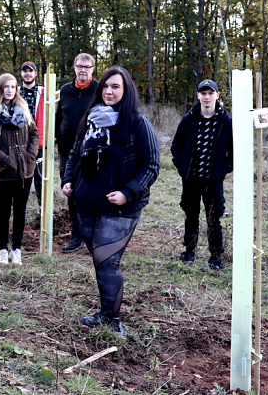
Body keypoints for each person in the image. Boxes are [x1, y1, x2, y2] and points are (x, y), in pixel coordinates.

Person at [62, 67, 160, 338]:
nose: (109, 91)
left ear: (126, 91)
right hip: (86, 202)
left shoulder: (137, 123)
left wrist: (127, 192)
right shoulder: (91, 118)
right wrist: (69, 179)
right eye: (105, 86)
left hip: (120, 207)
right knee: (98, 259)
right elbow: (75, 152)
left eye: (115, 87)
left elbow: (151, 165)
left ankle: (113, 319)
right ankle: (105, 312)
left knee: (108, 262)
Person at [171, 79, 233, 271]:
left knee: (213, 217)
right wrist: (182, 168)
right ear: (198, 95)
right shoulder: (189, 120)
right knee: (191, 215)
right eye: (203, 93)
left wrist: (223, 170)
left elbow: (233, 151)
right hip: (191, 179)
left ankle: (215, 256)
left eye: (210, 93)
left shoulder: (225, 122)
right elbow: (177, 147)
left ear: (217, 95)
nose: (207, 97)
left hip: (213, 180)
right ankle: (189, 251)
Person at [0, 74, 39, 265]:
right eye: (6, 87)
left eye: (13, 87)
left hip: (25, 169)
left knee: (20, 210)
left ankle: (17, 249)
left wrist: (31, 154)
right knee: (4, 211)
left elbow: (34, 134)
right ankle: (3, 250)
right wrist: (3, 157)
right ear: (0, 88)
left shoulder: (23, 108)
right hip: (4, 171)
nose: (10, 90)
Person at [55, 53, 99, 253]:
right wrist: (55, 137)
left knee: (90, 189)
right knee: (70, 190)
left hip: (90, 151)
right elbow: (58, 117)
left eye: (87, 67)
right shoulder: (65, 90)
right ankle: (76, 235)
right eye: (80, 66)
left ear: (92, 69)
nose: (83, 70)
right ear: (74, 67)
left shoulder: (99, 90)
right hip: (65, 150)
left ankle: (94, 234)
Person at [18, 61, 45, 204]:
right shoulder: (14, 91)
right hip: (19, 140)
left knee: (40, 176)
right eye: (25, 71)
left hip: (38, 140)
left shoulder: (44, 92)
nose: (28, 73)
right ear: (21, 73)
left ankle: (42, 207)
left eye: (30, 71)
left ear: (35, 73)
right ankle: (17, 207)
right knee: (19, 174)